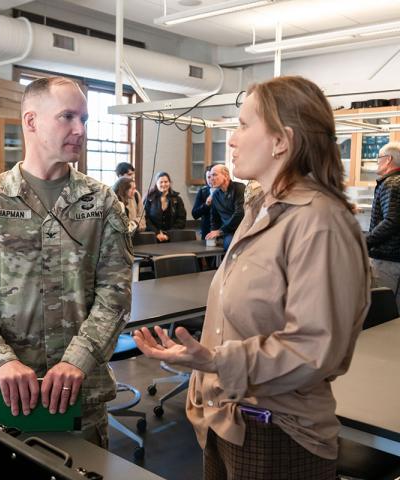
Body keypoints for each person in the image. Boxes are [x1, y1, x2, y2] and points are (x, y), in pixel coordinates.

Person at [134, 76, 370, 479]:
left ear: (281, 141)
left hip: (277, 434)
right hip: (227, 419)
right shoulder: (261, 207)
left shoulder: (320, 222)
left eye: (243, 125)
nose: (232, 139)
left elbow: (313, 349)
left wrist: (211, 359)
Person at [0, 76, 133, 448]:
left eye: (84, 119)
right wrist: (1, 361)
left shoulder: (101, 204)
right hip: (6, 400)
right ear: (31, 121)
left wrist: (77, 360)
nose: (79, 130)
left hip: (82, 399)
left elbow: (115, 296)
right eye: (67, 117)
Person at [366, 141, 400, 310]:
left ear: (388, 160)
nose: (377, 162)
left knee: (382, 311)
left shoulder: (391, 183)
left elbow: (391, 221)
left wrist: (365, 242)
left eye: (379, 158)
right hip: (394, 259)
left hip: (388, 260)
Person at [205, 164, 245, 250]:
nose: (211, 178)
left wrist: (220, 231)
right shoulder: (215, 194)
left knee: (229, 244)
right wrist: (213, 232)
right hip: (226, 231)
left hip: (240, 229)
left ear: (226, 176)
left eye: (215, 175)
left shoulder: (239, 188)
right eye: (210, 176)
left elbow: (240, 213)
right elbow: (214, 217)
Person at [144, 171, 186, 242]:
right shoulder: (149, 198)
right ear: (156, 184)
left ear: (170, 183)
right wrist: (157, 233)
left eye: (166, 182)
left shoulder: (177, 199)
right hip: (153, 237)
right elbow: (145, 219)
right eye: (161, 182)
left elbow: (181, 220)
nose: (164, 184)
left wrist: (168, 234)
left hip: (172, 238)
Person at [115, 161, 146, 232]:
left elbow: (142, 218)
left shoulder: (135, 194)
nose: (132, 177)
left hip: (135, 235)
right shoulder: (111, 195)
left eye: (133, 175)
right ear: (120, 176)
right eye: (129, 174)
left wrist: (133, 224)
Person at [192, 166, 213, 240]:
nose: (211, 179)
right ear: (206, 179)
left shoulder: (225, 191)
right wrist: (206, 204)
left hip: (223, 231)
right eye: (209, 177)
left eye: (213, 176)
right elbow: (195, 214)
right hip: (207, 231)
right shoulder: (203, 192)